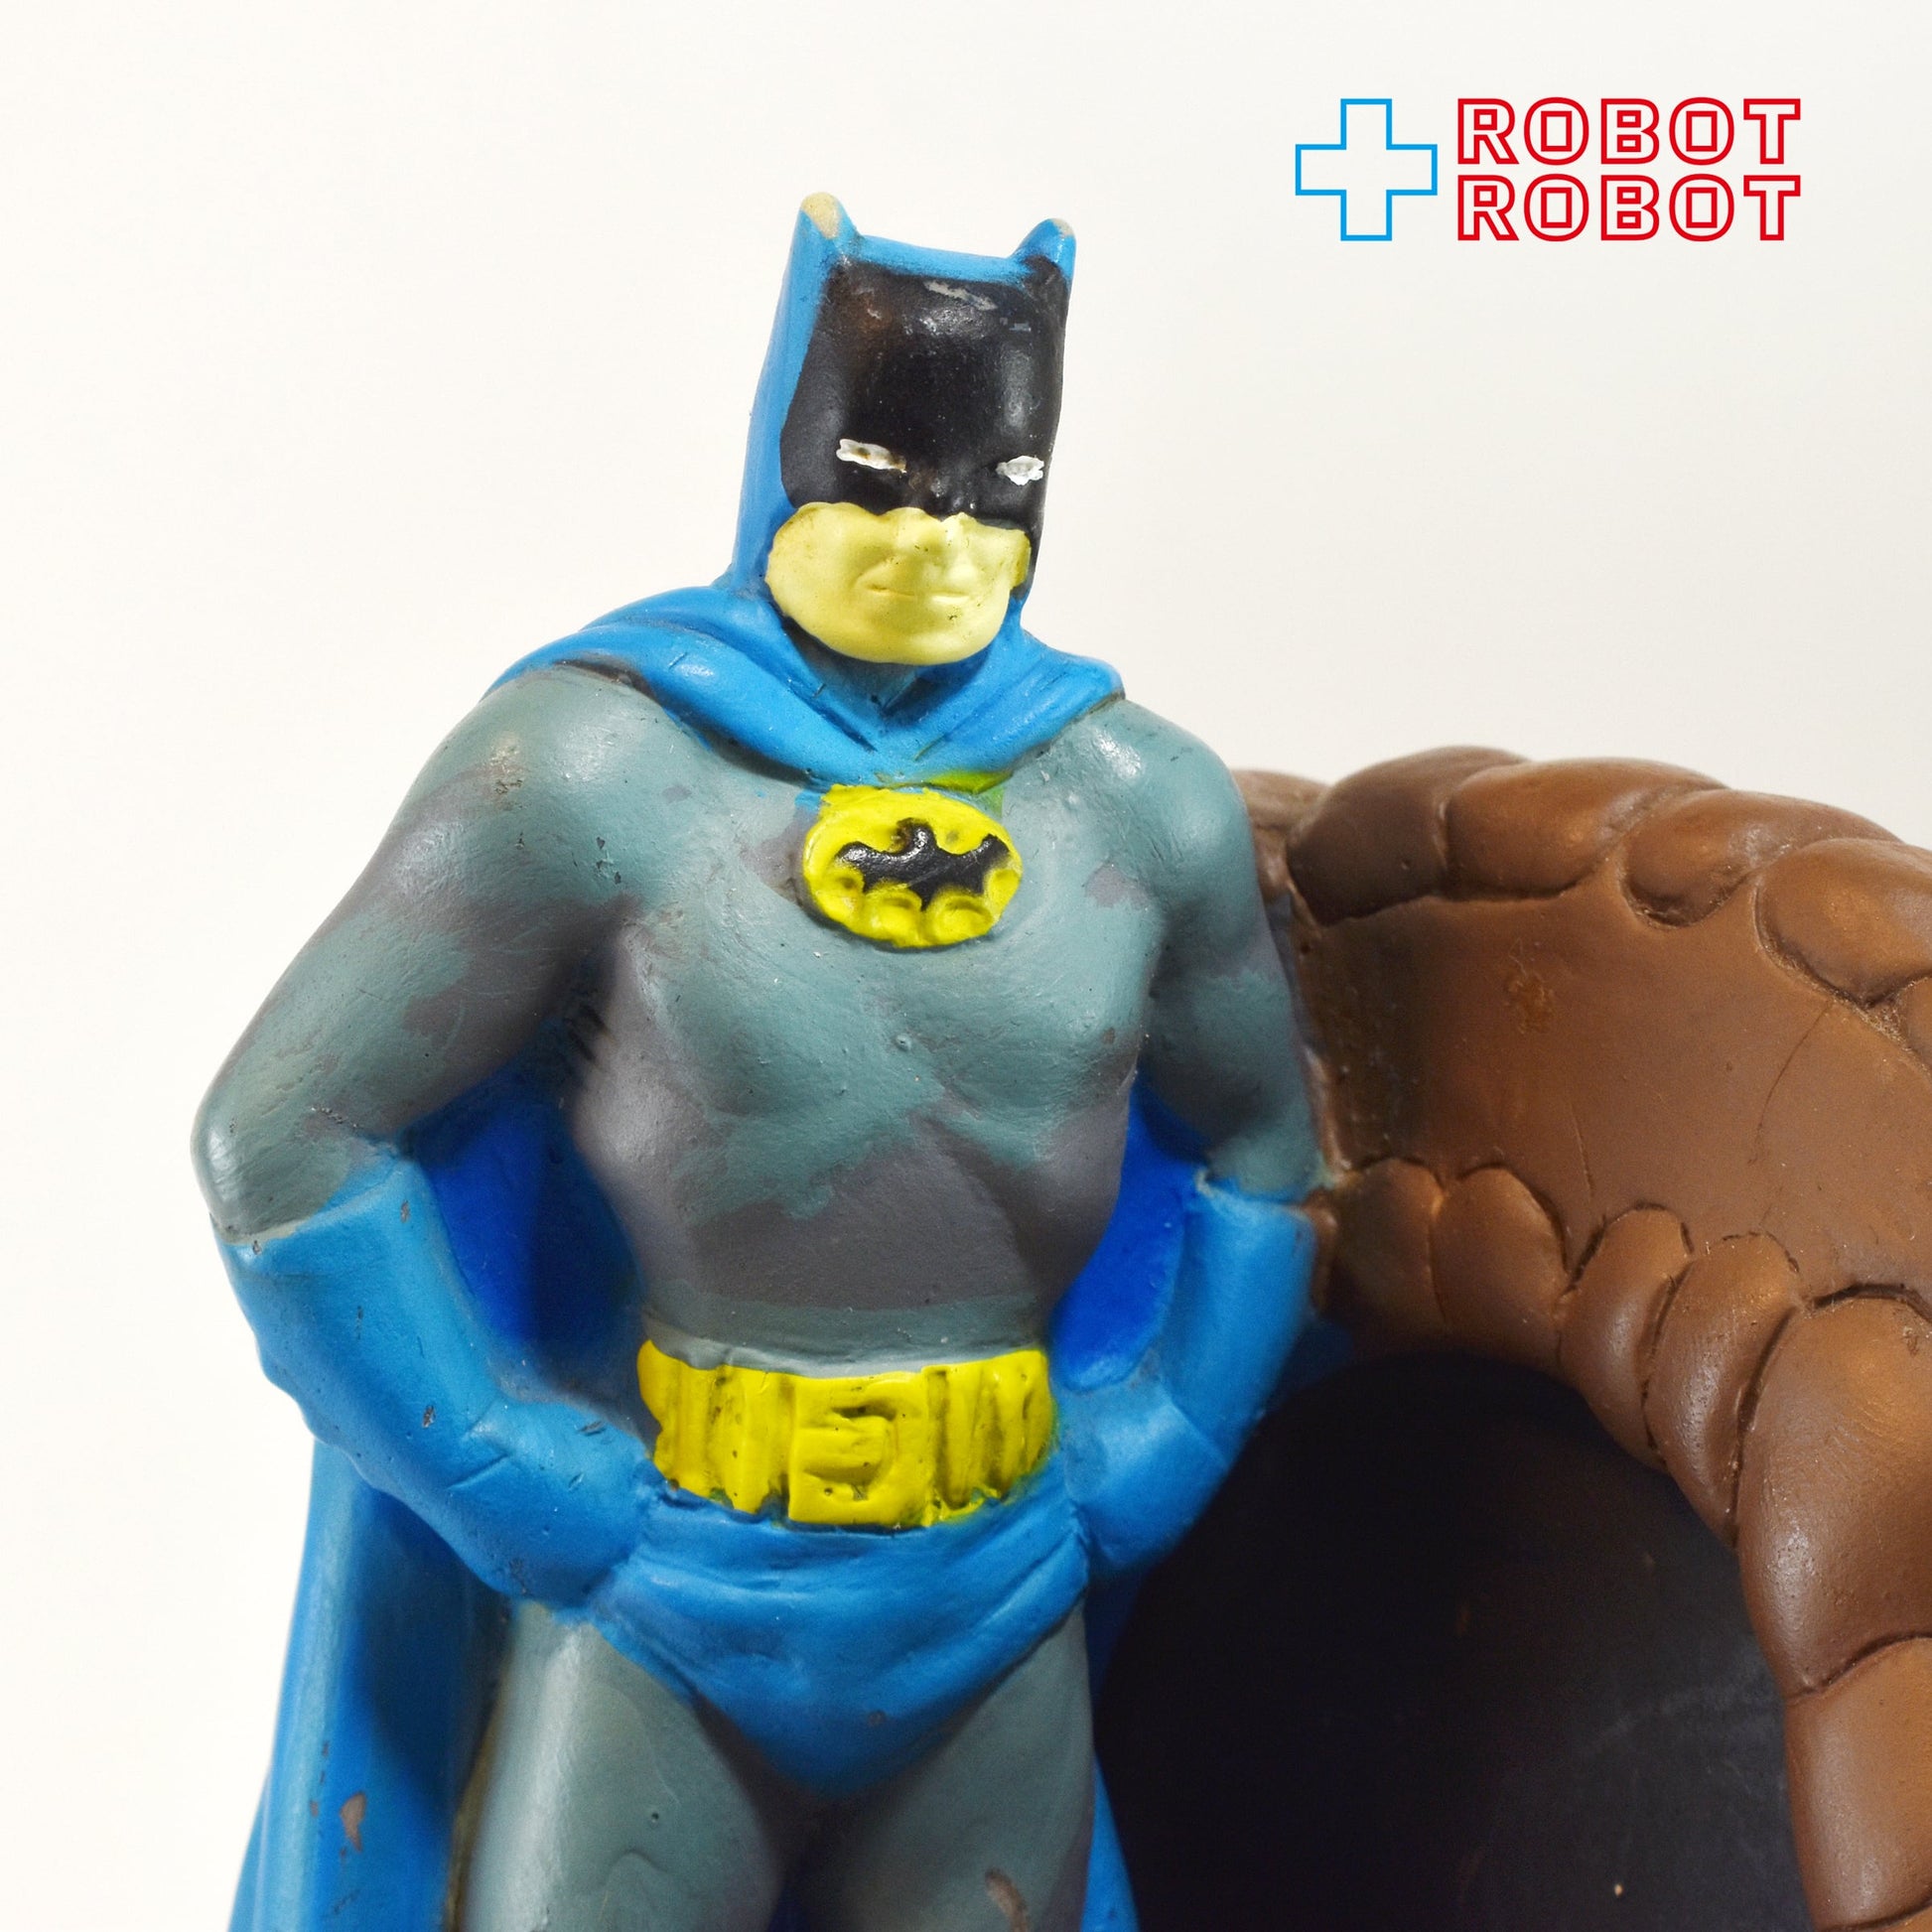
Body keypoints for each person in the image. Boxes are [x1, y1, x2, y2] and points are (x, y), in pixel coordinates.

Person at [195, 195, 1322, 1932]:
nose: (932, 534)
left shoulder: (1138, 801)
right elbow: (284, 1135)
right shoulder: (595, 765)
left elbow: (1261, 1153)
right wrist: (510, 1475)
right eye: (876, 470)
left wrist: (1160, 1441)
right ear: (784, 438)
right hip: (676, 1591)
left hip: (991, 1581)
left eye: (992, 489)